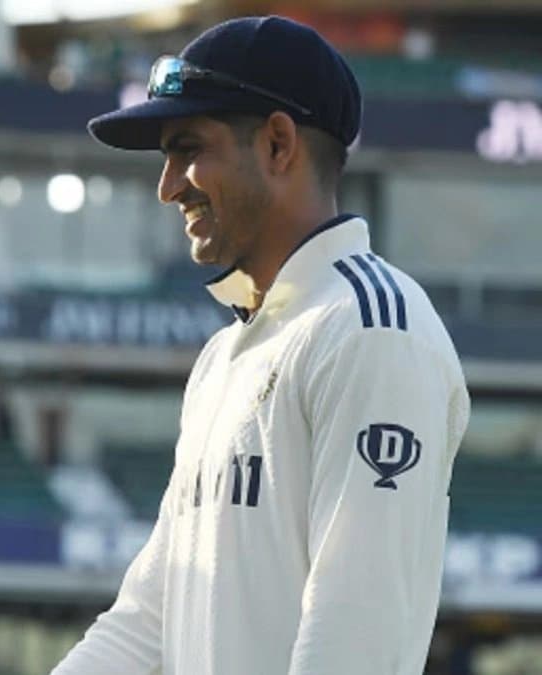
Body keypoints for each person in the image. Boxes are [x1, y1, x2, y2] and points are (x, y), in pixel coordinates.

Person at [53, 16, 469, 675]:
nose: (168, 185)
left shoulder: (371, 329)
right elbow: (145, 622)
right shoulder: (224, 357)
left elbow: (355, 632)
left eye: (188, 147)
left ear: (278, 144)